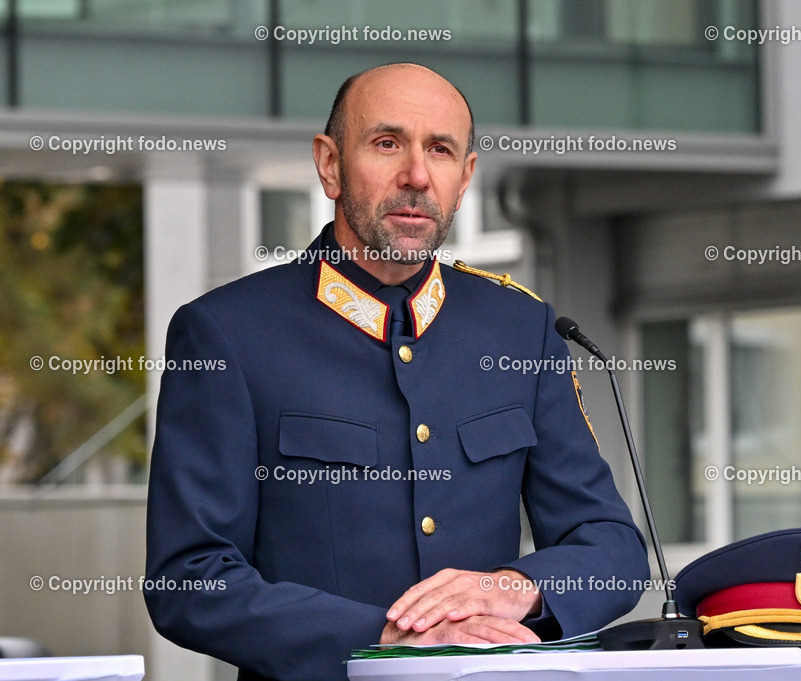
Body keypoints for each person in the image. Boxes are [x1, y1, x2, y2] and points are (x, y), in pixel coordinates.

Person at [144, 63, 648, 681]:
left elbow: (612, 547)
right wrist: (385, 640)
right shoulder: (227, 333)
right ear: (330, 164)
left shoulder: (521, 328)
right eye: (387, 144)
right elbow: (188, 578)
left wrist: (513, 587)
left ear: (465, 178)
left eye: (441, 150)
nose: (416, 176)